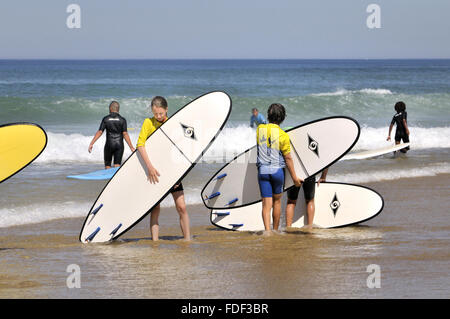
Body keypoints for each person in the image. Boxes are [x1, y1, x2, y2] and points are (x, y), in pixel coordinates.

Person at [136, 96, 190, 241]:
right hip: (155, 172)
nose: (158, 116)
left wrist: (179, 174)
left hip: (173, 172)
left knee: (182, 207)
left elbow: (181, 149)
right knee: (155, 209)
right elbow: (140, 145)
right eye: (156, 114)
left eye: (161, 113)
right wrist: (150, 167)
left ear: (166, 109)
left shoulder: (173, 124)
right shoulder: (148, 122)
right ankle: (155, 242)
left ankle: (187, 239)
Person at [256, 103, 302, 234]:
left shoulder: (260, 130)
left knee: (266, 203)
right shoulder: (283, 135)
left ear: (268, 116)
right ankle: (275, 230)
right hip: (277, 172)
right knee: (277, 202)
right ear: (282, 118)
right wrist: (294, 178)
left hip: (263, 171)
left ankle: (267, 231)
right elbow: (288, 159)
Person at [88, 101, 135, 168]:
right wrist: (131, 147)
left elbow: (100, 132)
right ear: (118, 109)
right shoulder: (122, 120)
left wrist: (91, 143)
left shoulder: (106, 119)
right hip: (119, 145)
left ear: (110, 108)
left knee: (107, 166)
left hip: (109, 144)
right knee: (117, 167)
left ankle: (108, 177)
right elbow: (125, 134)